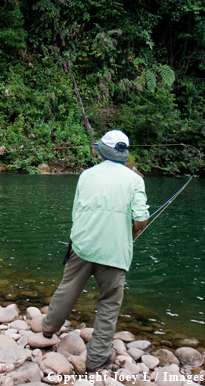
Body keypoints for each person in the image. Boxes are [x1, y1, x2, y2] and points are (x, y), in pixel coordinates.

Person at [41, 130, 149, 372]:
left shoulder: (86, 176)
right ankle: (96, 359)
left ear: (103, 151)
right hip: (115, 254)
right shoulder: (135, 180)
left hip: (82, 246)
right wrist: (130, 235)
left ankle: (48, 329)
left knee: (67, 288)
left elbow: (76, 213)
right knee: (109, 303)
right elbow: (141, 219)